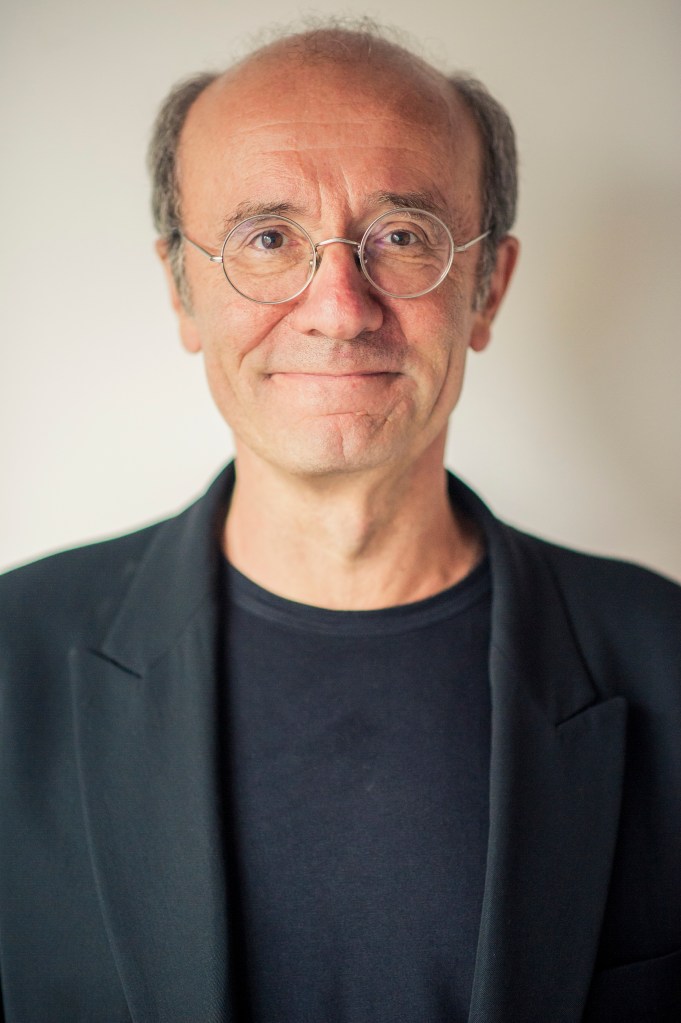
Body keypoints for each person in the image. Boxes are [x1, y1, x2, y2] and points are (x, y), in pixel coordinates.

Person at [0, 22, 679, 1023]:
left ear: (487, 288)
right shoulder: (11, 656)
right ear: (183, 290)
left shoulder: (667, 656)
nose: (340, 308)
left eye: (402, 236)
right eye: (268, 239)